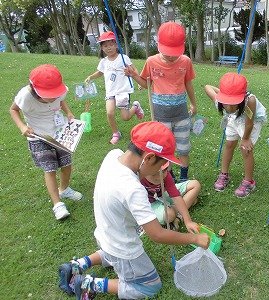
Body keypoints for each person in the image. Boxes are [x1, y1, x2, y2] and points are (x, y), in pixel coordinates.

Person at [58, 121, 209, 299]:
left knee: (110, 253)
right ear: (149, 158)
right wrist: (194, 238)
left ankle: (78, 264)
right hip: (123, 247)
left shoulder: (113, 155)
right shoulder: (133, 188)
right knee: (150, 287)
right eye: (160, 164)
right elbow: (157, 235)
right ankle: (87, 284)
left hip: (106, 234)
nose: (161, 171)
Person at [125, 22, 196, 182]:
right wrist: (135, 75)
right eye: (167, 52)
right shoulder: (151, 62)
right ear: (159, 46)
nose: (171, 56)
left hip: (181, 114)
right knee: (164, 151)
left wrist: (193, 104)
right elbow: (146, 85)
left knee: (184, 149)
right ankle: (168, 178)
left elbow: (188, 83)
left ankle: (183, 178)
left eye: (174, 53)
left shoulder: (185, 62)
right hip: (160, 116)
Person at [9, 64, 83, 220]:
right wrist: (22, 126)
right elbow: (13, 110)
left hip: (59, 133)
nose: (53, 98)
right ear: (34, 89)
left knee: (66, 164)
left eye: (55, 94)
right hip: (38, 136)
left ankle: (64, 189)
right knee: (50, 168)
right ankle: (58, 205)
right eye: (49, 95)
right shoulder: (25, 95)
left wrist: (68, 112)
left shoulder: (59, 93)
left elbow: (61, 101)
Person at [204, 72, 267, 198]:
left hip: (251, 123)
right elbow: (207, 87)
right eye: (227, 101)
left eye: (234, 102)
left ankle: (249, 182)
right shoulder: (219, 100)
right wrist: (222, 93)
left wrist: (245, 139)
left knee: (245, 149)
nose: (230, 106)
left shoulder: (250, 101)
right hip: (232, 120)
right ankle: (224, 174)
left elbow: (249, 123)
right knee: (229, 144)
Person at [85, 31, 144, 144]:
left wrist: (139, 81)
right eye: (105, 46)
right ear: (102, 48)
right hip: (110, 91)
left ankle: (135, 106)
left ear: (116, 45)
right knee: (110, 113)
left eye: (111, 45)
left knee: (125, 117)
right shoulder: (104, 61)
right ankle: (116, 133)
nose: (109, 48)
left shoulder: (123, 58)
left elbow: (134, 70)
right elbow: (100, 72)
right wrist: (91, 77)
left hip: (123, 90)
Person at [141, 161, 201, 231]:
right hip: (149, 203)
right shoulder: (137, 179)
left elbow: (175, 196)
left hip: (163, 194)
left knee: (195, 184)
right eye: (154, 174)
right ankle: (183, 207)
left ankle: (178, 214)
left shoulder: (165, 175)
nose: (160, 176)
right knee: (170, 215)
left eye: (164, 170)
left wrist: (188, 221)